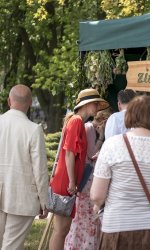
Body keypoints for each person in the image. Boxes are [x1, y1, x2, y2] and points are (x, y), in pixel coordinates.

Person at [90, 95, 150, 250]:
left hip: (119, 225)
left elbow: (97, 196)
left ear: (129, 114)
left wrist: (98, 205)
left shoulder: (112, 144)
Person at [49, 88, 109, 250]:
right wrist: (72, 181)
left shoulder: (77, 121)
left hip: (66, 178)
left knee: (62, 229)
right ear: (87, 104)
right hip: (66, 180)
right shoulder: (76, 121)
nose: (97, 108)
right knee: (61, 230)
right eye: (96, 104)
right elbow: (69, 153)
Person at [0, 84, 49, 249]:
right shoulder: (33, 130)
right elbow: (40, 171)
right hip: (22, 198)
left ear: (9, 101)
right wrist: (44, 201)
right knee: (12, 246)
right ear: (29, 103)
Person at [65, 109, 112, 250]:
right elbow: (91, 154)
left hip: (88, 177)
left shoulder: (89, 128)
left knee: (86, 215)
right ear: (104, 122)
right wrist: (101, 138)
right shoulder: (90, 128)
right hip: (87, 177)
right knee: (86, 215)